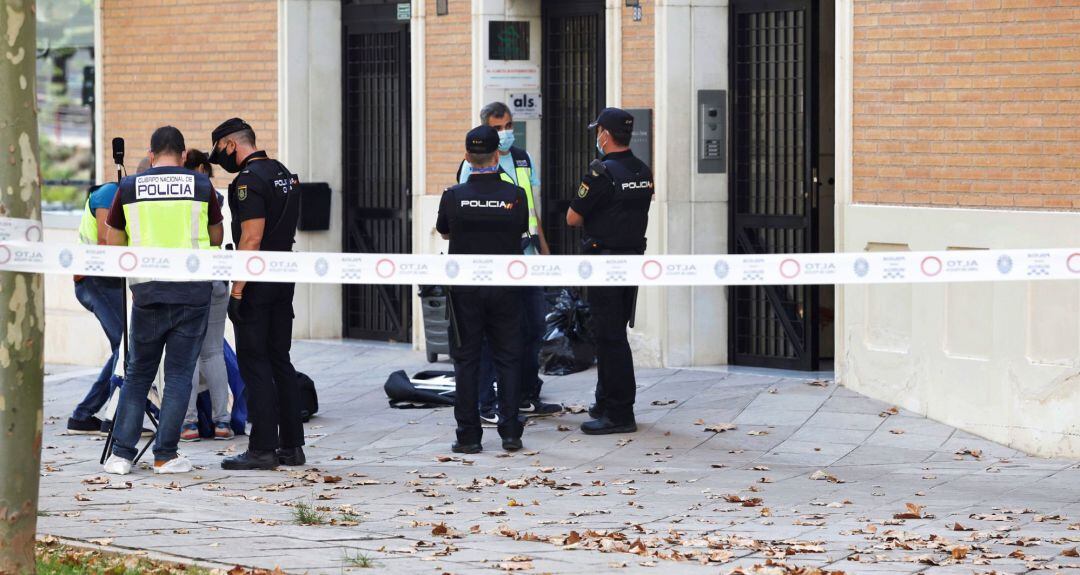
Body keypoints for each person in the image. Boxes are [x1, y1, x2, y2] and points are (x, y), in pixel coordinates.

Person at [102, 126, 224, 474]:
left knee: (138, 374)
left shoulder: (129, 187)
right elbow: (217, 235)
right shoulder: (201, 185)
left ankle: (122, 455)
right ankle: (165, 455)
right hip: (193, 292)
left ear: (151, 155)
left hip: (148, 292)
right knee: (179, 376)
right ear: (184, 156)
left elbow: (113, 241)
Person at [456, 103, 561, 427]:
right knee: (492, 335)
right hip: (492, 263)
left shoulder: (522, 159)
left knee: (534, 327)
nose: (505, 133)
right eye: (499, 127)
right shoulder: (472, 165)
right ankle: (487, 401)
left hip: (527, 257)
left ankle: (527, 394)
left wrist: (544, 250)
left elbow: (532, 207)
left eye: (508, 126)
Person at [209, 118, 305, 470]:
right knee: (281, 359)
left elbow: (251, 238)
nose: (219, 157)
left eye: (219, 150)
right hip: (284, 278)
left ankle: (263, 448)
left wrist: (237, 291)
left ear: (231, 145)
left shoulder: (248, 182)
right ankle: (292, 446)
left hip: (258, 282)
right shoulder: (284, 173)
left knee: (256, 362)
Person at [438, 125, 529, 453]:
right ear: (496, 155)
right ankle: (510, 432)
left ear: (467, 157)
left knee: (466, 360)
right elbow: (521, 230)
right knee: (508, 357)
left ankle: (468, 436)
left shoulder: (453, 196)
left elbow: (444, 233)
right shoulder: (515, 196)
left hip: (466, 290)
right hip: (505, 287)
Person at [566, 108, 654, 435]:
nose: (596, 136)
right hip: (631, 260)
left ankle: (618, 411)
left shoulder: (601, 173)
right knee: (615, 332)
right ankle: (605, 401)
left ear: (605, 134)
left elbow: (573, 218)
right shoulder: (642, 170)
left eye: (598, 131)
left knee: (609, 337)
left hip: (603, 262)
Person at [179, 149, 233, 442]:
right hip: (214, 277)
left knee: (187, 355)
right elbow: (217, 238)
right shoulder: (212, 196)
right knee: (213, 352)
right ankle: (222, 423)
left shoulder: (175, 196)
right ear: (201, 167)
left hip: (186, 280)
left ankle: (188, 425)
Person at [66, 181, 124, 435]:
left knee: (124, 348)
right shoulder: (109, 193)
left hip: (106, 281)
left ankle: (85, 415)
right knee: (125, 346)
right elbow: (105, 239)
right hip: (94, 278)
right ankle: (110, 417)